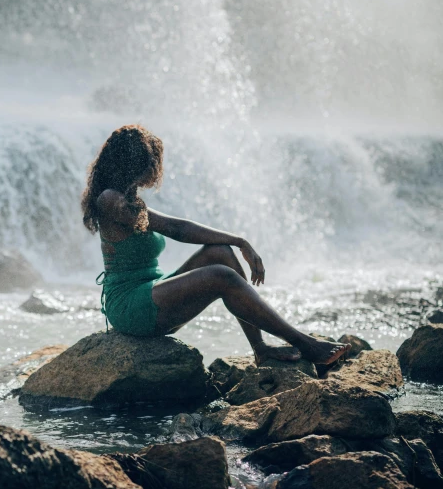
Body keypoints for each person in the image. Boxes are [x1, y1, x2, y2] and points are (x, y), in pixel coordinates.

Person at [82, 124, 350, 365]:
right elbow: (177, 228)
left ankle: (260, 348)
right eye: (145, 163)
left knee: (220, 253)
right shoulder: (110, 200)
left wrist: (236, 243)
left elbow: (179, 228)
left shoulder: (128, 197)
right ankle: (306, 344)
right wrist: (239, 240)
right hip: (129, 305)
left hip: (150, 292)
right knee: (221, 276)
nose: (149, 170)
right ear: (128, 163)